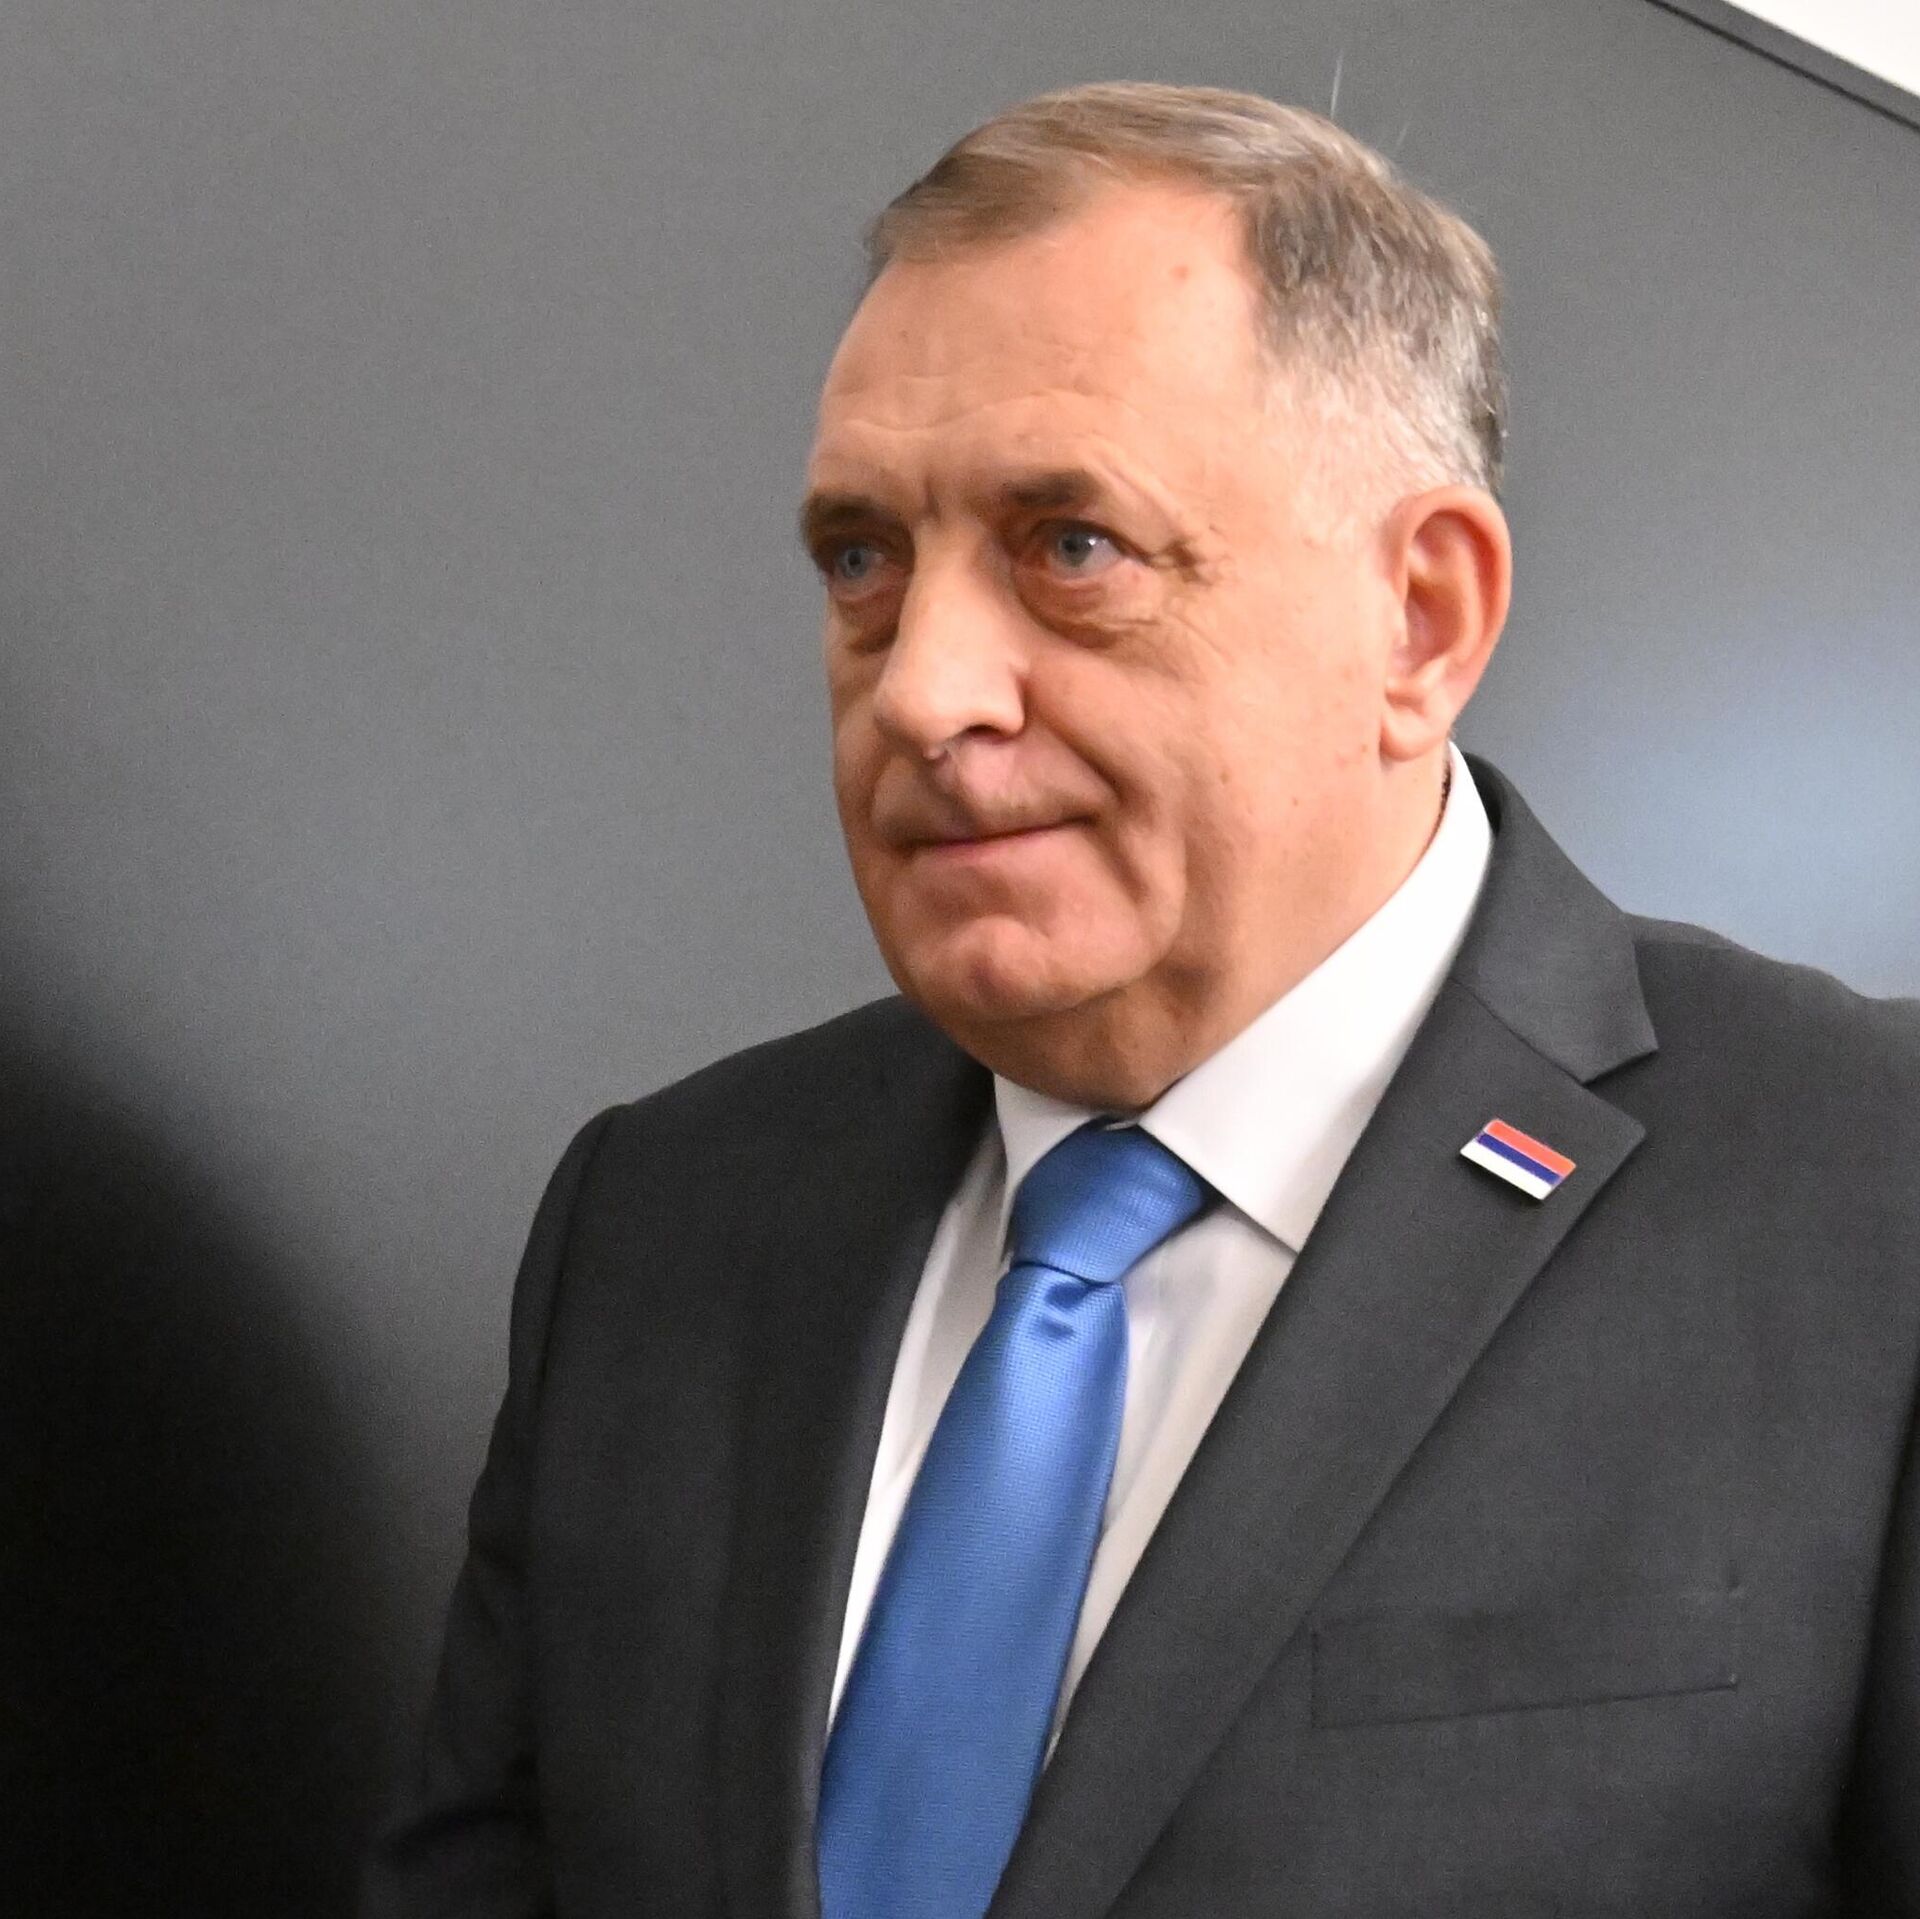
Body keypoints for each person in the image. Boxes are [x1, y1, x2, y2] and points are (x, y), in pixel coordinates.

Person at [362, 81, 1920, 1919]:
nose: (923, 688)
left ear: (1420, 619)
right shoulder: (660, 1220)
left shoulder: (1865, 1198)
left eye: (1071, 547)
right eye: (864, 560)